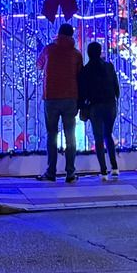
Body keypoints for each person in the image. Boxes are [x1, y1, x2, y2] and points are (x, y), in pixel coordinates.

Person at [36, 23, 83, 183]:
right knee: (70, 136)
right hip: (70, 98)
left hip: (51, 98)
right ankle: (70, 173)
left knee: (52, 135)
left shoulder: (49, 49)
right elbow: (79, 74)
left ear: (58, 34)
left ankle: (51, 172)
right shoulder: (76, 54)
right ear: (72, 36)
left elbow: (39, 65)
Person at [78, 41, 122, 180]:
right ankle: (114, 167)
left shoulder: (85, 70)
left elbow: (83, 91)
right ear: (100, 51)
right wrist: (115, 98)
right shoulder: (109, 67)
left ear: (88, 53)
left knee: (98, 138)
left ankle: (103, 171)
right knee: (108, 134)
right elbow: (116, 86)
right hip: (110, 104)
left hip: (95, 106)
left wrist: (82, 105)